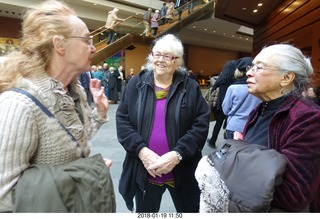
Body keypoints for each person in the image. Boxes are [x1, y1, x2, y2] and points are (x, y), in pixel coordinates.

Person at [0, 0, 112, 212]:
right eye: (87, 40)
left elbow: (76, 142)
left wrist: (99, 113)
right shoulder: (18, 104)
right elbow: (4, 196)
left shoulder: (73, 90)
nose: (94, 47)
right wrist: (85, 175)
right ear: (59, 44)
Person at [116, 34, 210, 212]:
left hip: (182, 170)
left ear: (177, 61)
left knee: (189, 210)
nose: (160, 60)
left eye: (167, 56)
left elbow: (201, 125)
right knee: (146, 213)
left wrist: (177, 154)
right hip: (145, 170)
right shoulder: (136, 84)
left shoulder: (190, 87)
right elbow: (123, 120)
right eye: (157, 54)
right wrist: (141, 151)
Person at [243, 44, 320, 212]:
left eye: (259, 67)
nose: (248, 72)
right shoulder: (259, 109)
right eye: (251, 66)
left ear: (286, 78)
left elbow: (294, 196)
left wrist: (236, 165)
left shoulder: (307, 118)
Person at [222, 57, 261, 139]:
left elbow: (225, 110)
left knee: (233, 151)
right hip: (254, 127)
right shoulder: (260, 88)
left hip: (235, 126)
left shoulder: (233, 88)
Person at [207, 60, 236, 147]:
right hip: (231, 105)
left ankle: (212, 141)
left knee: (218, 124)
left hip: (220, 105)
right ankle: (228, 144)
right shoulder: (235, 80)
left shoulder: (222, 78)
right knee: (229, 125)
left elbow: (213, 89)